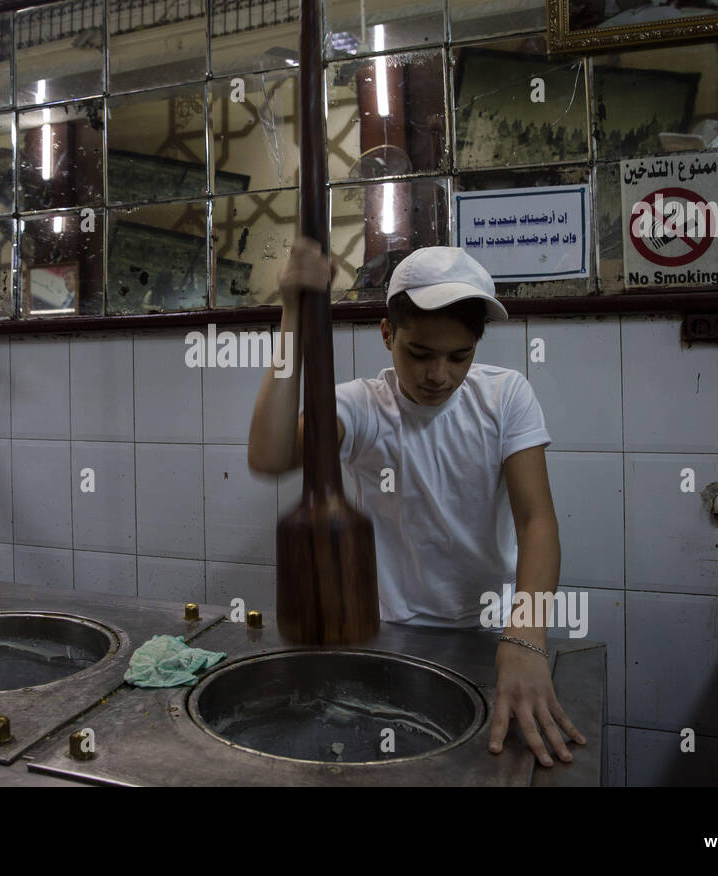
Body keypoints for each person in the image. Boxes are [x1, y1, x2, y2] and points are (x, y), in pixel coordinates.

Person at [247, 240, 585, 768]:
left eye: (459, 356)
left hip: (487, 635)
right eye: (420, 354)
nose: (439, 376)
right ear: (388, 334)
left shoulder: (506, 397)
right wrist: (292, 312)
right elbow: (269, 454)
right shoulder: (362, 407)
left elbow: (537, 522)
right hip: (385, 638)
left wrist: (527, 634)